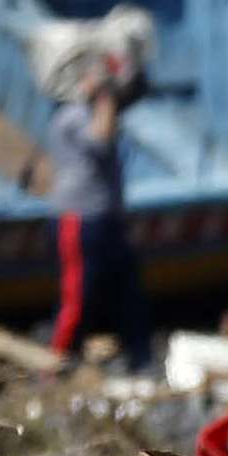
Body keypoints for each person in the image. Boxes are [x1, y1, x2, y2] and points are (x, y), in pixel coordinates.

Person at [40, 61, 150, 371]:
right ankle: (56, 364)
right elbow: (101, 138)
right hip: (79, 219)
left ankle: (139, 357)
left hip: (107, 219)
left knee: (128, 289)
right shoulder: (71, 118)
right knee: (78, 296)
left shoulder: (99, 112)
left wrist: (119, 81)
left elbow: (138, 91)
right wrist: (105, 97)